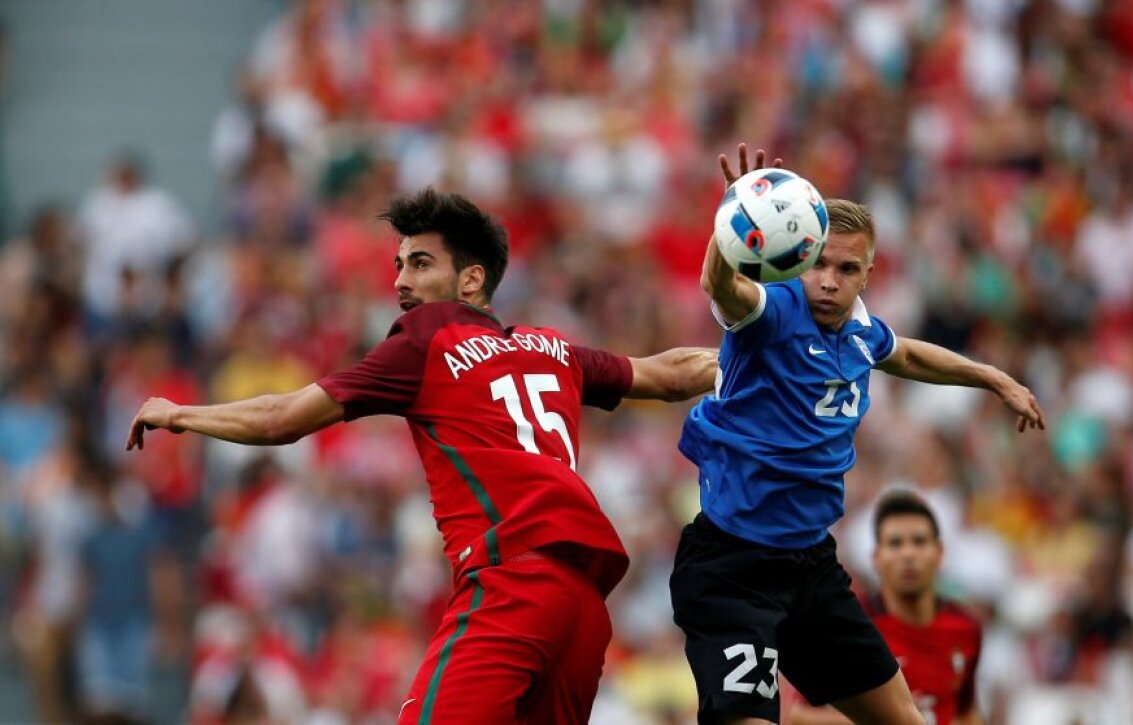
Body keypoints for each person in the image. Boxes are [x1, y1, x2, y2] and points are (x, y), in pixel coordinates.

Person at [126, 188, 717, 724]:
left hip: (513, 584)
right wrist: (761, 348)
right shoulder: (552, 348)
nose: (401, 282)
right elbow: (665, 375)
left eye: (421, 263)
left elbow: (284, 419)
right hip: (584, 610)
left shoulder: (427, 338)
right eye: (399, 265)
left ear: (471, 280)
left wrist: (181, 415)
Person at [670, 145, 1044, 725]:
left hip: (810, 565)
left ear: (868, 274)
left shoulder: (863, 330)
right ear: (800, 255)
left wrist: (994, 379)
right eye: (820, 264)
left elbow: (909, 355)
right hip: (733, 570)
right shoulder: (770, 312)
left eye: (848, 270)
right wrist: (735, 224)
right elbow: (721, 288)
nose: (829, 281)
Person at [785, 490, 983, 725]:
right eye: (895, 543)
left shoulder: (966, 627)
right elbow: (798, 718)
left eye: (919, 542)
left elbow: (966, 712)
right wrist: (890, 716)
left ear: (939, 554)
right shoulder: (848, 624)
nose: (908, 554)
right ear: (876, 557)